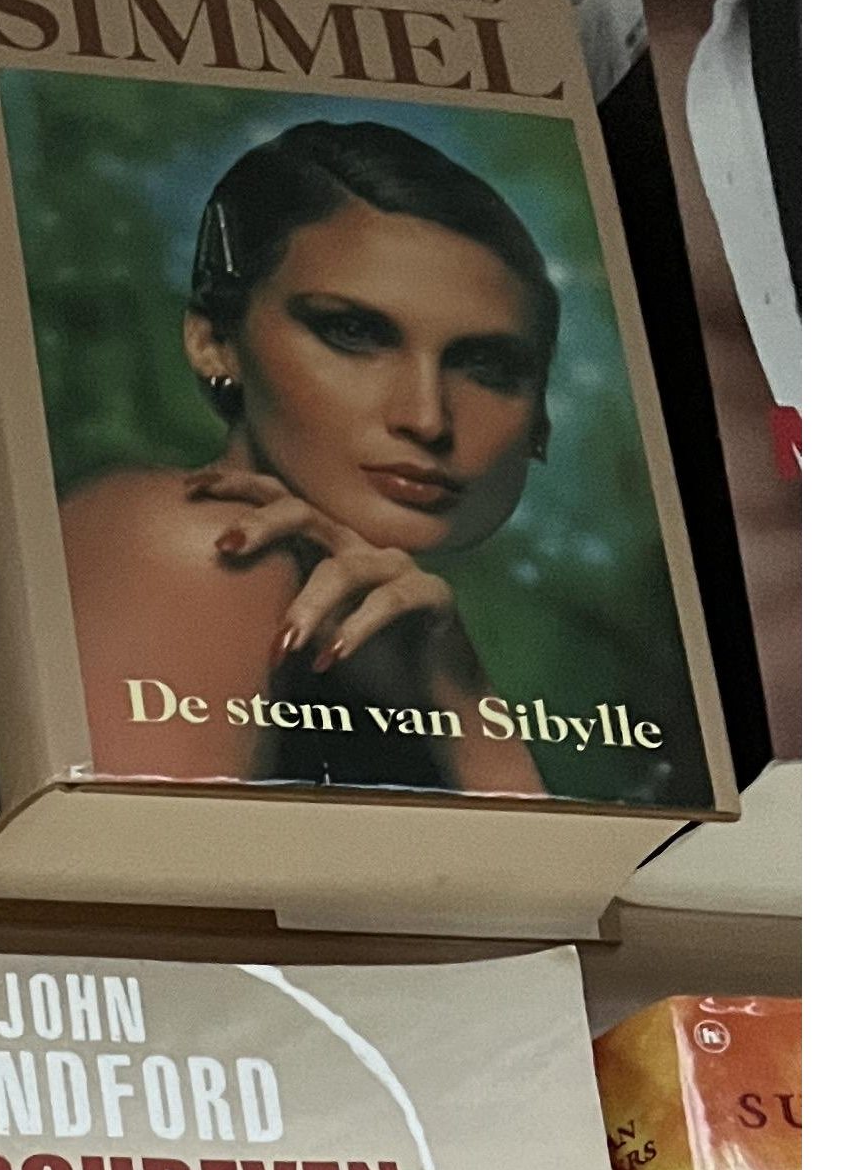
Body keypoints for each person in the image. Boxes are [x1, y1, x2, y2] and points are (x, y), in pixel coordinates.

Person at [52, 117, 574, 796]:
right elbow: (122, 862)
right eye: (353, 332)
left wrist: (456, 688)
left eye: (487, 366)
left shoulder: (392, 631)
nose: (426, 418)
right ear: (215, 341)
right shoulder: (207, 542)